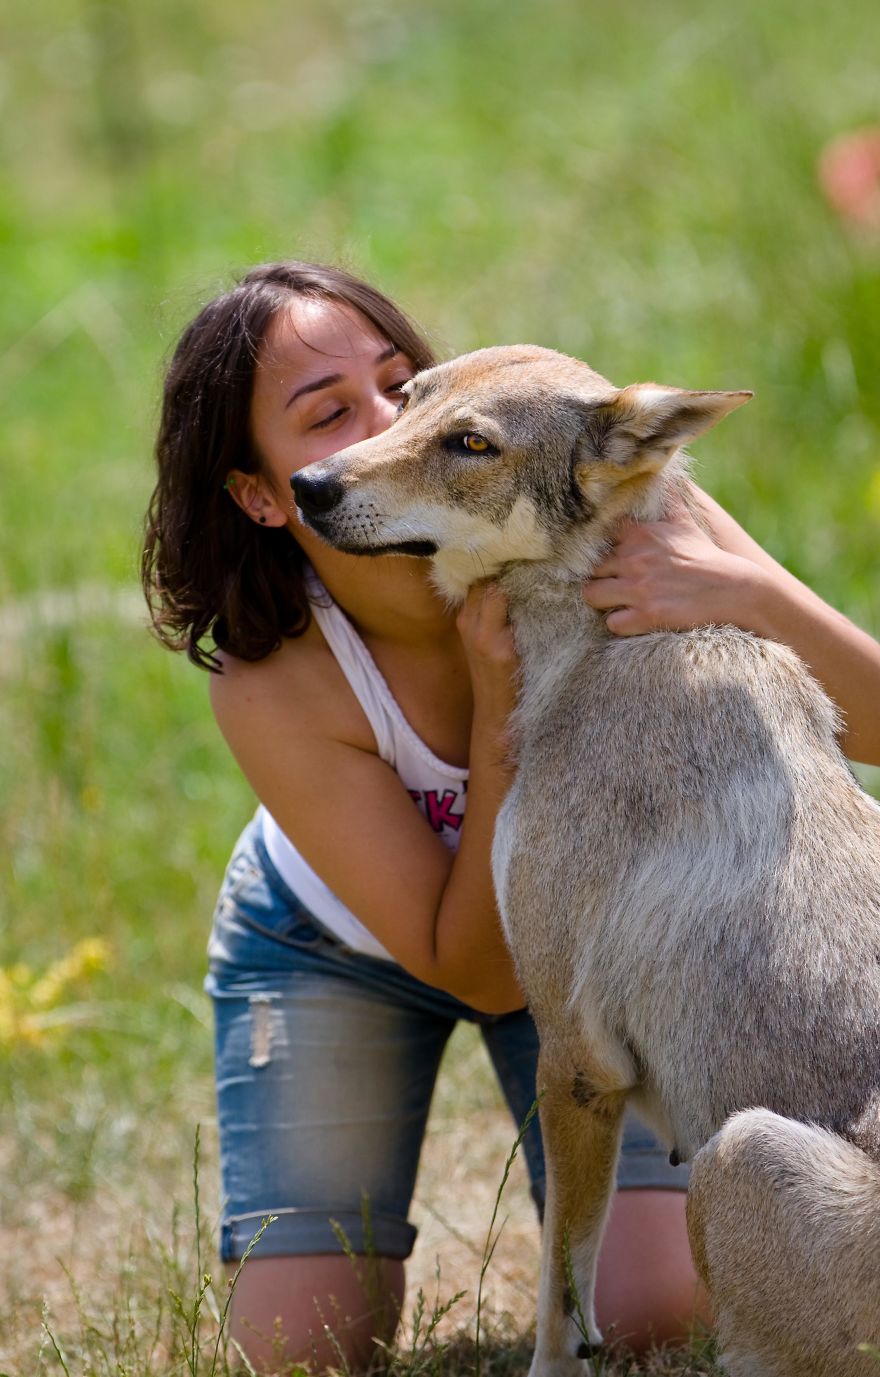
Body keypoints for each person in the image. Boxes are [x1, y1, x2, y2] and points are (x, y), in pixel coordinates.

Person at [142, 260, 880, 1374]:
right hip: (346, 949)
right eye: (326, 413)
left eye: (407, 384)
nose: (387, 429)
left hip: (594, 944)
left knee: (653, 1313)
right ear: (259, 490)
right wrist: (496, 709)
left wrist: (751, 595)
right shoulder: (274, 679)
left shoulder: (618, 500)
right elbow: (480, 974)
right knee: (295, 1352)